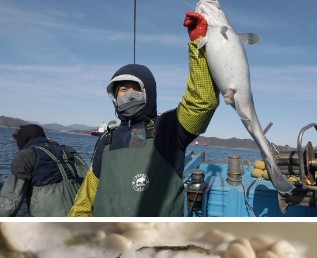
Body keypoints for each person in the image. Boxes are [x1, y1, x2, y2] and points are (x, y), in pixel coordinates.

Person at [68, 11, 218, 216]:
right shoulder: (106, 140)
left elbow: (203, 102)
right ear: (114, 96)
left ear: (149, 92)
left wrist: (199, 45)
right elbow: (85, 199)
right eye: (122, 90)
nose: (128, 95)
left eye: (135, 88)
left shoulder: (169, 129)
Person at [0, 124, 88, 216]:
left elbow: (9, 202)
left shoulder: (25, 156)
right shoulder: (69, 151)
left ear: (23, 141)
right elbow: (87, 178)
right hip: (79, 213)